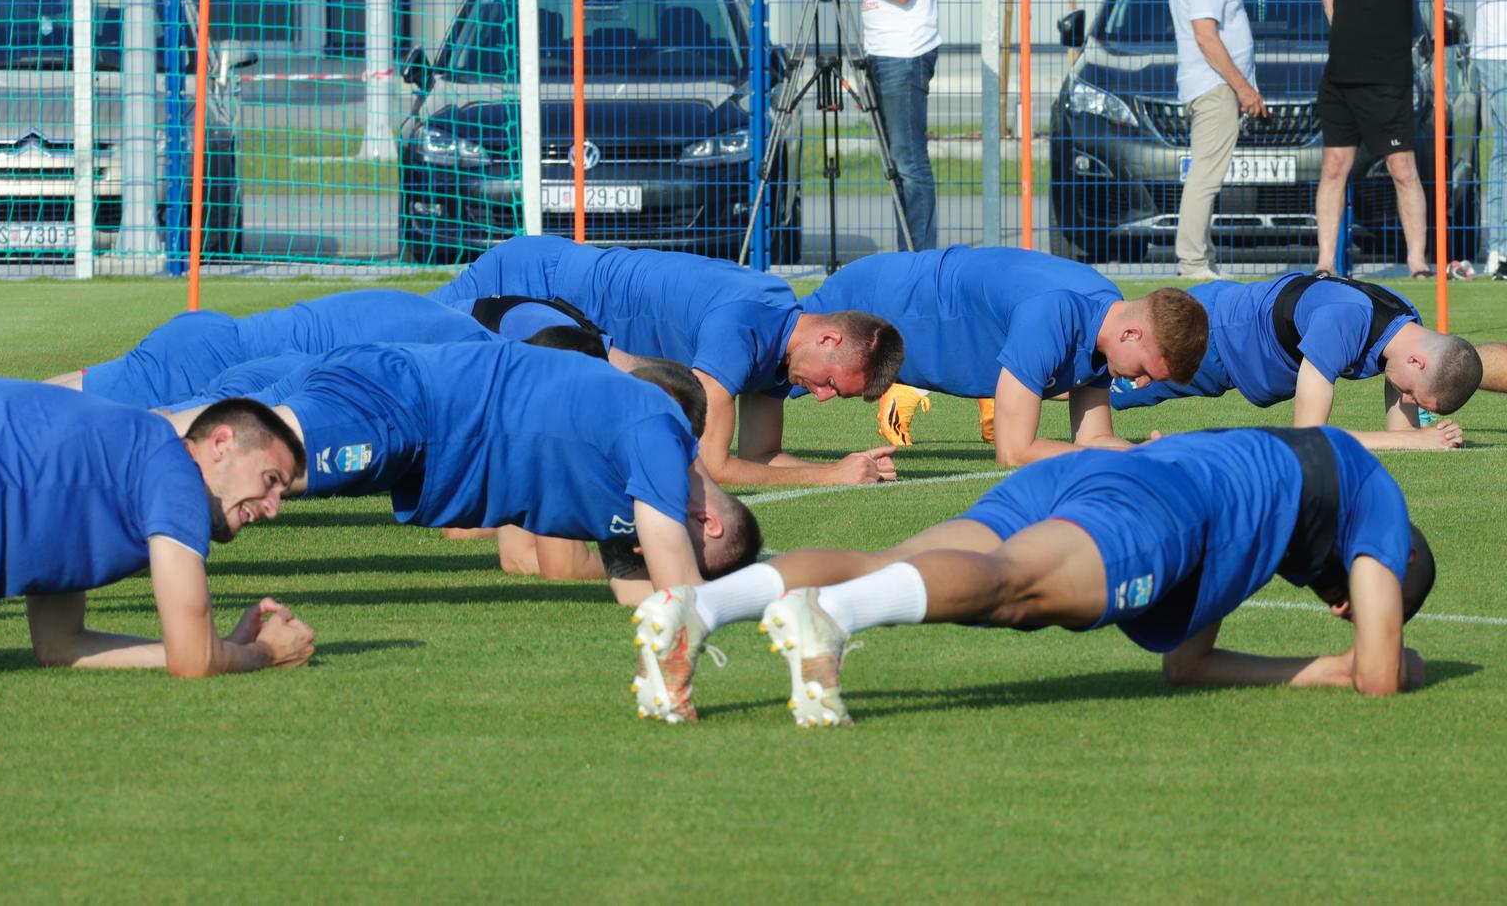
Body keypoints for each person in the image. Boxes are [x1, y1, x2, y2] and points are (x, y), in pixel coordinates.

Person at [628, 426, 1433, 725]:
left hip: (1105, 473)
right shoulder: (1377, 512)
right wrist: (1388, 660)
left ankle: (699, 607)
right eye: (1357, 602)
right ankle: (835, 617)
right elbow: (1378, 676)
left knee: (896, 560)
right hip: (1157, 506)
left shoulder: (1284, 492)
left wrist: (1329, 666)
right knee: (1014, 587)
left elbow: (1186, 666)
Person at [166, 339, 760, 606]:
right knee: (258, 469)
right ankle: (123, 475)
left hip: (411, 426)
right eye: (676, 543)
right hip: (408, 407)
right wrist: (777, 594)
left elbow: (640, 596)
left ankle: (128, 443)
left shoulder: (632, 497)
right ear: (705, 522)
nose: (645, 548)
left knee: (225, 442)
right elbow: (682, 597)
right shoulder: (659, 435)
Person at [0, 381, 316, 676]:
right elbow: (193, 663)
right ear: (221, 444)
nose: (273, 508)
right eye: (270, 480)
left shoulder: (114, 469)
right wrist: (264, 652)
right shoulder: (176, 472)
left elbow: (60, 645)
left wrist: (223, 649)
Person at [431, 236, 905, 486]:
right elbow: (711, 464)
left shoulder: (783, 340)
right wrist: (828, 476)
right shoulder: (743, 327)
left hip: (558, 297)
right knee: (407, 347)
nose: (820, 396)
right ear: (828, 338)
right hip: (531, 279)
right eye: (829, 383)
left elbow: (758, 456)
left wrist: (848, 468)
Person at [798, 246, 1209, 465]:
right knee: (773, 365)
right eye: (1145, 370)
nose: (1141, 383)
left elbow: (1093, 438)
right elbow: (1014, 451)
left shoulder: (1108, 319)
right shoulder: (1054, 313)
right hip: (880, 299)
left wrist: (1141, 456)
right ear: (1132, 334)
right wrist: (1123, 462)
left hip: (907, 297)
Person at [1109, 272, 1483, 450]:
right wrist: (1416, 442)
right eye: (1415, 396)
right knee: (1094, 380)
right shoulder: (1346, 320)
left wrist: (1420, 437)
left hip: (1230, 328)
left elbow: (1400, 432)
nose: (1408, 401)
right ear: (1417, 362)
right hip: (1211, 336)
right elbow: (1307, 436)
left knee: (1092, 382)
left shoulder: (1405, 322)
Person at [808, 0, 940, 252]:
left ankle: (918, 259)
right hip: (883, 55)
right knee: (896, 165)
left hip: (904, 56)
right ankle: (909, 254)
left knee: (908, 164)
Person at [48, 288, 496, 408]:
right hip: (209, 357)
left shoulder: (438, 314)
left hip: (209, 341)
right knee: (53, 418)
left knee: (51, 402)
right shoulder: (463, 353)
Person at [1315, 0, 1430, 278]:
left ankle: (1417, 261)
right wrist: (1335, 15)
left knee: (1402, 169)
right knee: (1334, 167)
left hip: (1386, 80)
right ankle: (1325, 262)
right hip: (1340, 78)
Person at [1169, 0, 1268, 280]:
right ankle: (1193, 262)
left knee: (1207, 173)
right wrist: (1243, 88)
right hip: (1213, 87)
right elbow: (1206, 36)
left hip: (1214, 86)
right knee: (1206, 176)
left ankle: (1202, 258)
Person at [1472, 0, 1507, 280]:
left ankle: (1499, 249)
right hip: (1500, 48)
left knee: (1503, 150)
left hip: (1499, 48)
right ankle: (1500, 248)